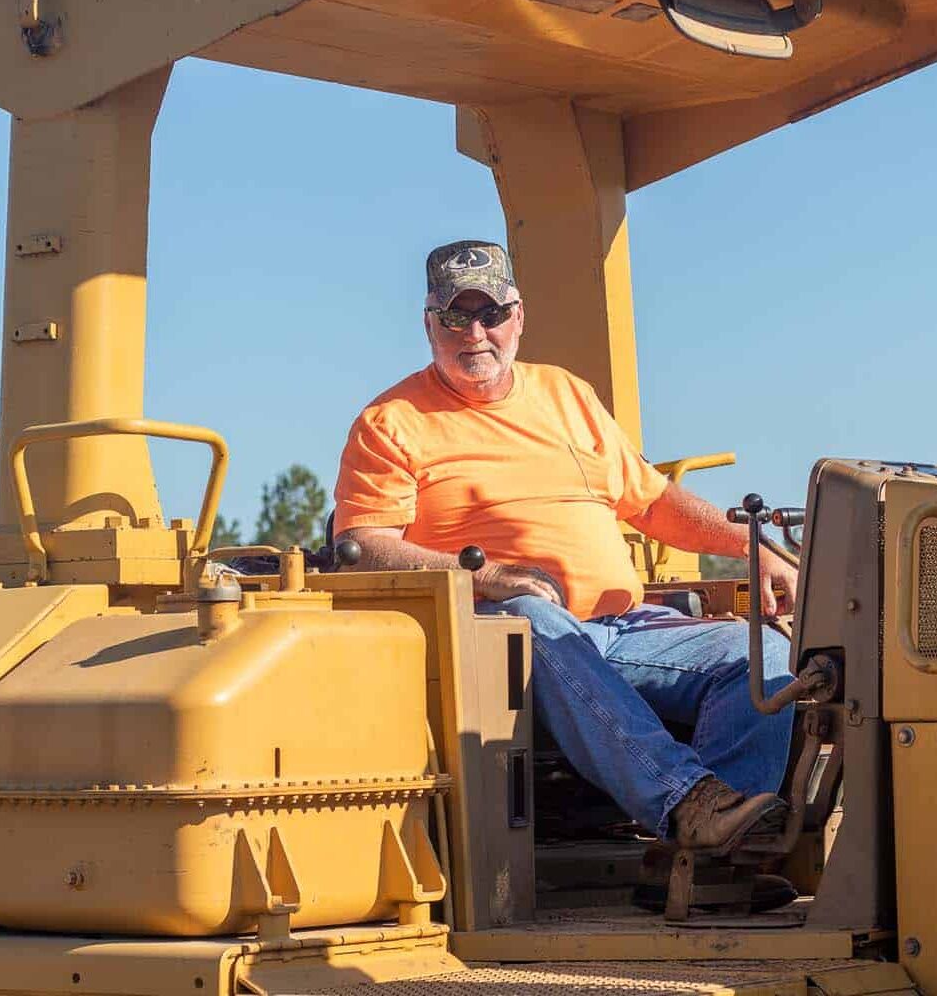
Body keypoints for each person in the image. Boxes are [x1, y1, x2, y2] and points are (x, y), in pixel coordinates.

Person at [334, 240, 798, 857]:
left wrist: (753, 546)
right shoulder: (391, 422)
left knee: (761, 651)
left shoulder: (567, 396)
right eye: (455, 316)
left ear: (518, 318)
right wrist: (492, 579)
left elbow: (654, 501)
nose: (476, 332)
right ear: (428, 324)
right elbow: (362, 544)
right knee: (535, 622)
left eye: (491, 314)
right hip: (497, 637)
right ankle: (687, 803)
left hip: (625, 627)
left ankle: (720, 859)